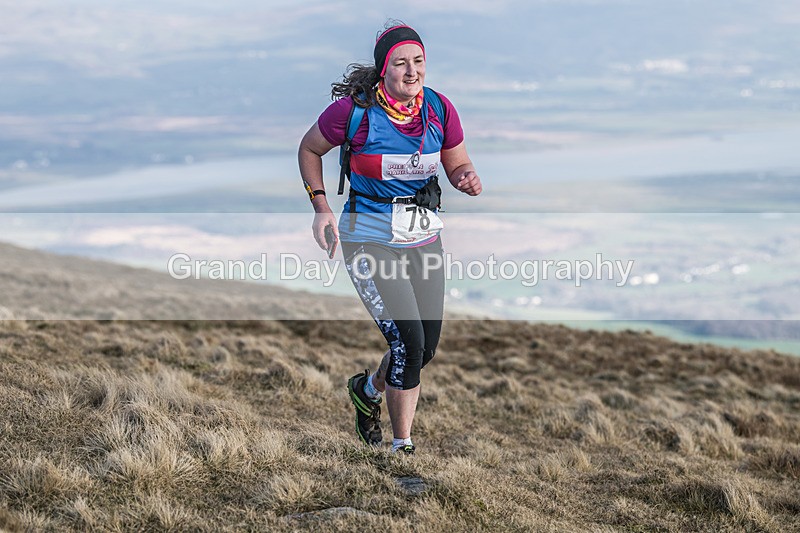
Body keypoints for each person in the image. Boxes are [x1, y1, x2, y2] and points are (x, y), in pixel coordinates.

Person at [298, 22, 481, 454]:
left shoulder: (439, 109)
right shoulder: (353, 113)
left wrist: (465, 178)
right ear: (384, 70)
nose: (412, 71)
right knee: (408, 343)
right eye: (401, 63)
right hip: (369, 240)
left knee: (424, 349)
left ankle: (367, 390)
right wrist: (321, 206)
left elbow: (457, 165)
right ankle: (402, 447)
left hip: (422, 240)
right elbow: (309, 149)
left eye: (418, 61)